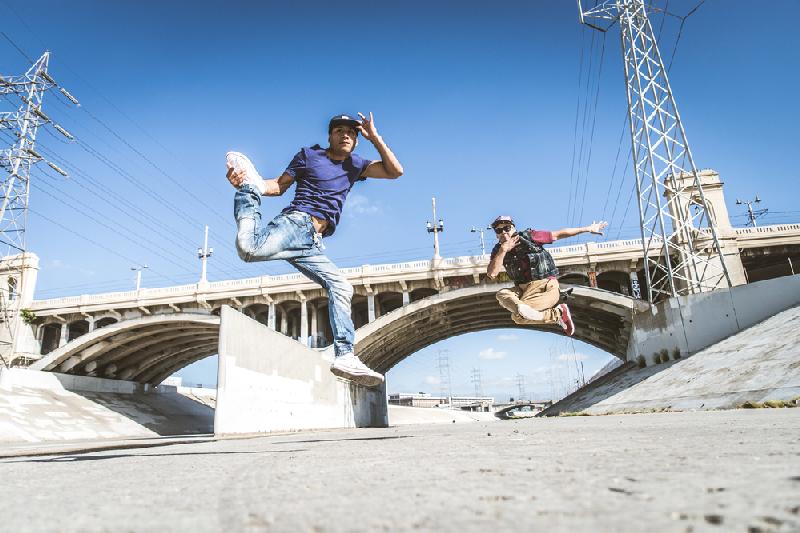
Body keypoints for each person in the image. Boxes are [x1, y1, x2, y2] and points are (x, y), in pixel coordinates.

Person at [225, 112, 403, 387]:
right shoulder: (309, 156)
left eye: (351, 133)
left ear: (356, 141)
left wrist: (375, 138)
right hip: (296, 223)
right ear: (329, 136)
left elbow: (395, 172)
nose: (346, 135)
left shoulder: (355, 165)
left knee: (342, 287)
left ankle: (345, 355)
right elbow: (278, 187)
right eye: (340, 131)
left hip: (313, 243)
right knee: (249, 249)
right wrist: (256, 186)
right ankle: (247, 191)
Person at [486, 215, 608, 336]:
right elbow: (492, 273)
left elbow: (558, 234)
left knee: (517, 317)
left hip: (545, 287)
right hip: (523, 291)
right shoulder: (498, 250)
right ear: (496, 234)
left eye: (507, 228)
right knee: (502, 295)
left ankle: (556, 313)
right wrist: (503, 250)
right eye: (499, 230)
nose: (503, 232)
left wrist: (587, 228)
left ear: (513, 228)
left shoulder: (529, 236)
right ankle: (549, 312)